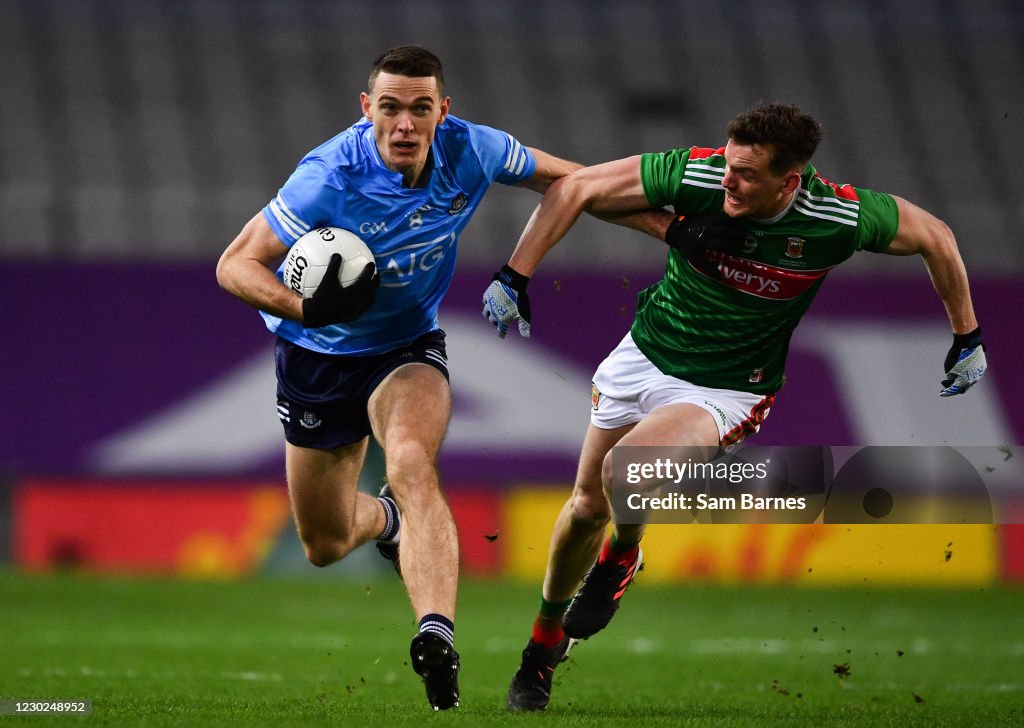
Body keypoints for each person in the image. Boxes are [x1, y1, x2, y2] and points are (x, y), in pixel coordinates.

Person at [481, 102, 988, 711]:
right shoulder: (697, 174)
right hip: (641, 355)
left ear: (790, 182)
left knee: (629, 473)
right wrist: (516, 275)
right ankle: (541, 650)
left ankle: (623, 552)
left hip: (725, 389)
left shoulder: (840, 216)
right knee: (587, 505)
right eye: (728, 164)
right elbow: (577, 187)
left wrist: (968, 336)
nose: (728, 180)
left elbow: (938, 236)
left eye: (747, 174)